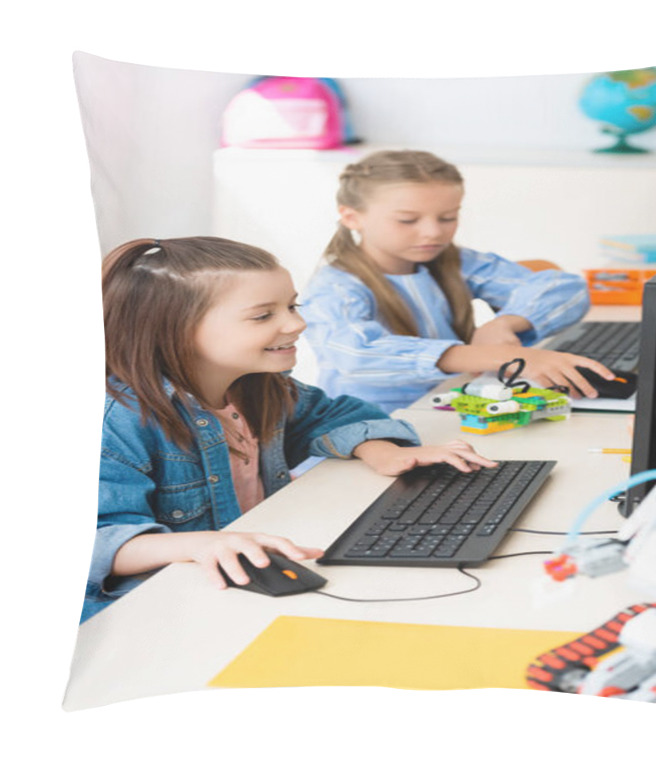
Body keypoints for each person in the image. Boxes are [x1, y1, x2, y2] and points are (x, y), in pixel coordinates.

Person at [83, 236, 495, 623]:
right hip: (154, 611)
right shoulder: (116, 421)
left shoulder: (260, 387)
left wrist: (385, 452)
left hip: (248, 588)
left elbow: (332, 415)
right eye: (264, 316)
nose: (296, 325)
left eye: (292, 307)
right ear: (174, 330)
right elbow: (96, 541)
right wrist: (200, 544)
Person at [302, 149, 616, 413]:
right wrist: (503, 356)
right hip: (371, 431)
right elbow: (356, 353)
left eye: (448, 217)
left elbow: (565, 289)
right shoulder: (335, 288)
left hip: (451, 409)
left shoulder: (457, 263)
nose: (433, 232)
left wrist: (504, 324)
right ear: (351, 217)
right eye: (408, 220)